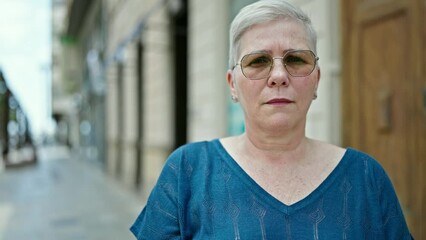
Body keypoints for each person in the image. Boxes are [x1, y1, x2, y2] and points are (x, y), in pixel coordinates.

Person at [130, 0, 413, 239]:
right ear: (232, 84)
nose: (279, 76)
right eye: (258, 61)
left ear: (316, 80)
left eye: (296, 60)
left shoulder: (366, 178)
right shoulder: (187, 172)